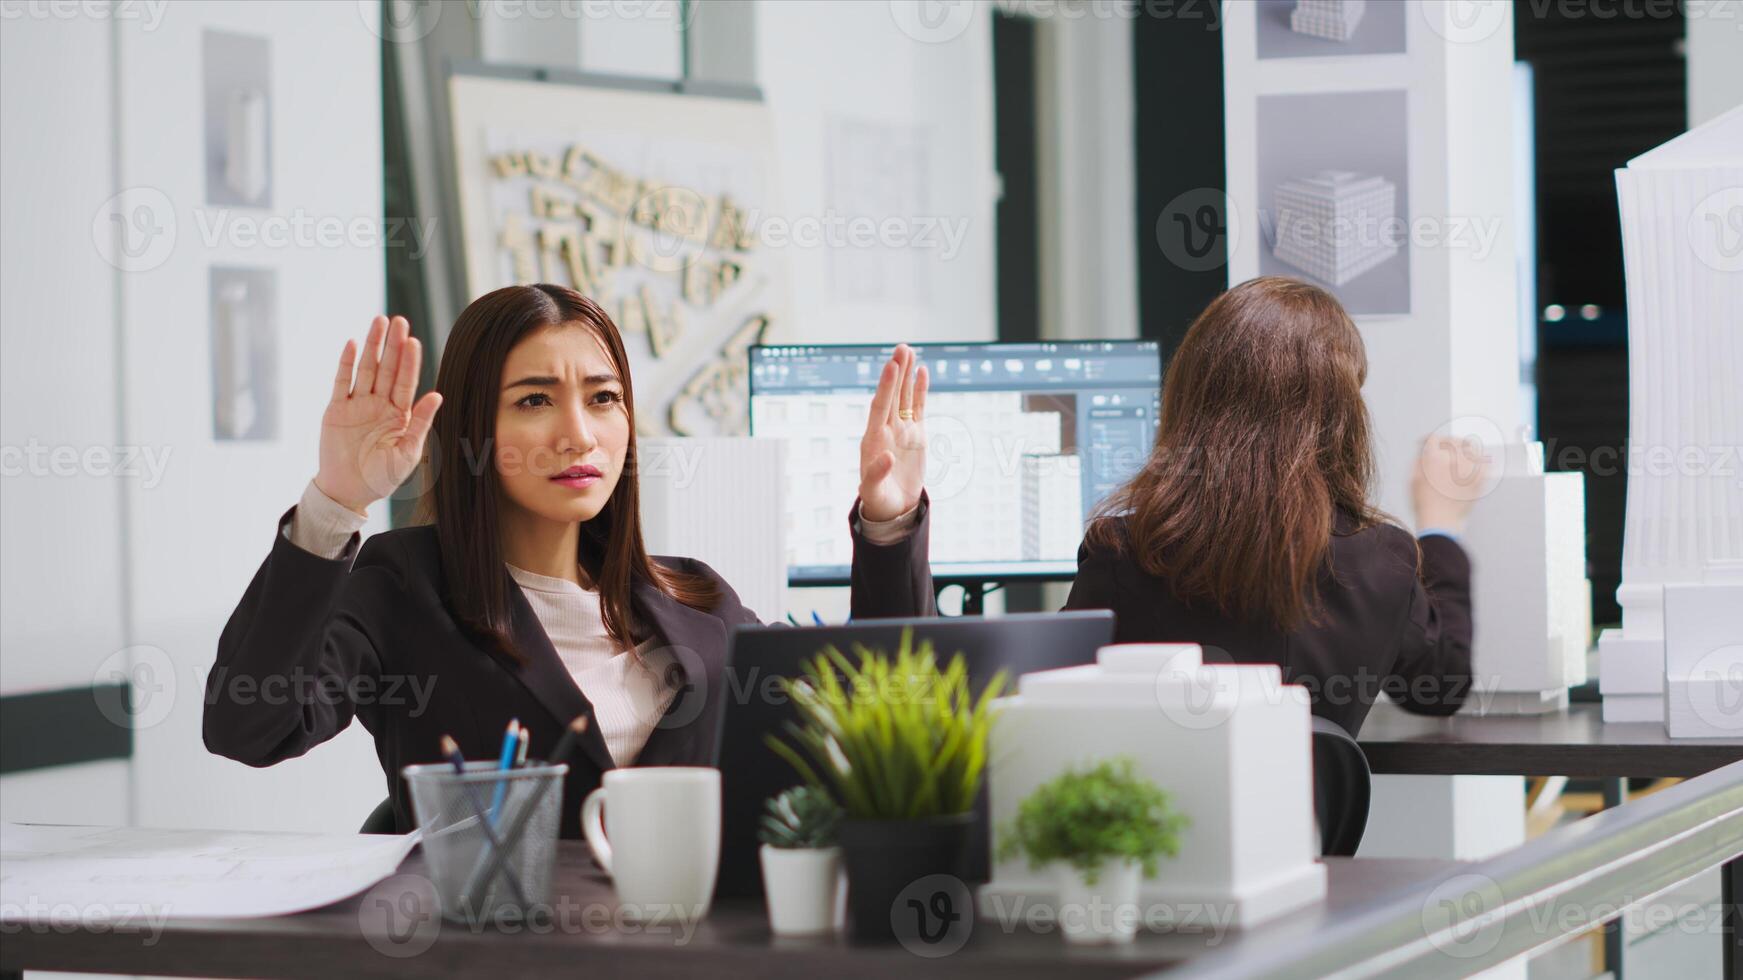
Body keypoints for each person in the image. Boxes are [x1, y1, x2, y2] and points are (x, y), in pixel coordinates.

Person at [202, 284, 931, 837]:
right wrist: (335, 501)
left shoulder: (697, 599)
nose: (578, 434)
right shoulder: (403, 588)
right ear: (471, 428)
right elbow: (250, 726)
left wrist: (888, 523)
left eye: (603, 398)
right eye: (533, 401)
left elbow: (879, 710)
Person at [865, 276, 1485, 736]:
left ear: (1190, 401)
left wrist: (892, 527)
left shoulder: (1127, 555)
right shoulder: (1382, 565)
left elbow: (1022, 703)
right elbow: (1442, 684)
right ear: (1341, 419)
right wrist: (1441, 527)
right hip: (1319, 891)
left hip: (1153, 880)